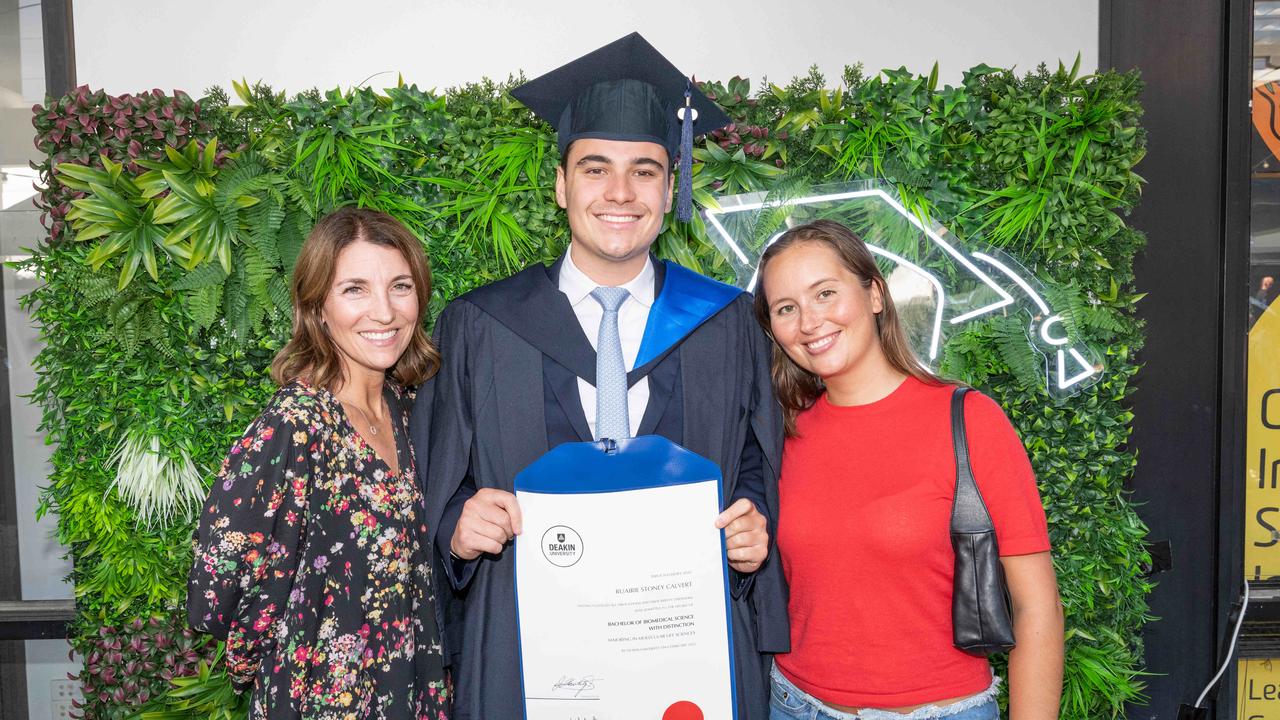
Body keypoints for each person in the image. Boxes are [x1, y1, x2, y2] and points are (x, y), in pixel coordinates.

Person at [412, 32, 788, 719]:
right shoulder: (481, 325)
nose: (621, 192)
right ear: (560, 185)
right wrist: (457, 530)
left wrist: (754, 523)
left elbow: (756, 464)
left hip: (686, 645)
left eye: (645, 170)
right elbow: (441, 481)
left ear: (671, 187)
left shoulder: (725, 322)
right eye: (595, 169)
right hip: (527, 647)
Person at [753, 220, 1064, 720]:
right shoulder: (780, 435)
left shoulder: (969, 420)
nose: (809, 322)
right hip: (794, 705)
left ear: (875, 293)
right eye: (786, 309)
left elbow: (1038, 608)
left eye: (826, 293)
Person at [187, 208, 451, 719]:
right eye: (355, 289)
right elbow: (216, 577)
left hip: (413, 691)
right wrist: (269, 651)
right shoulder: (298, 421)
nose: (384, 312)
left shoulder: (411, 409)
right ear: (318, 308)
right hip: (324, 699)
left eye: (400, 286)